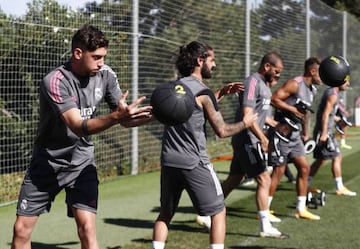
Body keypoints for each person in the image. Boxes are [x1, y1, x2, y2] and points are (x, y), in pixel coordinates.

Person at [11, 25, 153, 249]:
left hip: (82, 162)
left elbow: (124, 119)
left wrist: (160, 114)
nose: (101, 63)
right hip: (47, 162)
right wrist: (116, 117)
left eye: (104, 57)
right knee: (21, 230)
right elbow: (78, 126)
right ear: (78, 53)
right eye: (96, 57)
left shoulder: (106, 75)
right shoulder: (55, 81)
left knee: (87, 228)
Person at [150, 41, 257, 249]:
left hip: (169, 161)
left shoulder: (173, 87)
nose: (214, 65)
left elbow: (190, 105)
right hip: (194, 162)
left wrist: (220, 94)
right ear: (200, 61)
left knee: (166, 214)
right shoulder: (203, 92)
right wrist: (246, 123)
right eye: (212, 60)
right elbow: (222, 130)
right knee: (218, 211)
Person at [197, 52, 288, 238]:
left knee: (234, 178)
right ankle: (265, 226)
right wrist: (263, 138)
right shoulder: (253, 82)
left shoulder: (264, 86)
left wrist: (276, 125)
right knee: (264, 179)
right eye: (277, 71)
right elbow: (247, 114)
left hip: (249, 138)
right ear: (267, 66)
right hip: (247, 139)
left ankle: (206, 213)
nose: (278, 76)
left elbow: (260, 115)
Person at [267, 57, 322, 221]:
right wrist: (291, 109)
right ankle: (265, 209)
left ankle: (301, 208)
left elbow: (304, 113)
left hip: (296, 136)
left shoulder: (313, 90)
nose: (324, 78)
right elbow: (274, 99)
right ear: (312, 71)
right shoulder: (295, 83)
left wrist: (305, 132)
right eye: (321, 74)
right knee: (279, 171)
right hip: (282, 133)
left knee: (304, 168)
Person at [307, 81, 356, 196]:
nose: (348, 84)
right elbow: (324, 115)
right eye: (346, 81)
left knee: (320, 160)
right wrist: (324, 133)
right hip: (325, 132)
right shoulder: (333, 94)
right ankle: (340, 187)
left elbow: (329, 114)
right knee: (337, 157)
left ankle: (305, 184)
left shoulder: (333, 92)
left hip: (324, 131)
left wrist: (338, 120)